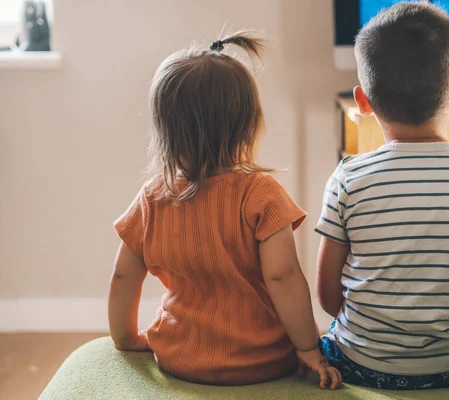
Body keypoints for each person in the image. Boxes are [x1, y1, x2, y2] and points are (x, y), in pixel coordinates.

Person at [108, 32, 341, 389]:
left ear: (165, 130)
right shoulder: (262, 194)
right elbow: (283, 278)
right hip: (263, 360)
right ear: (248, 123)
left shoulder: (152, 198)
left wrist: (125, 339)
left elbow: (124, 277)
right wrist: (309, 349)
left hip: (179, 357)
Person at [315, 3, 449, 390]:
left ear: (362, 102)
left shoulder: (347, 179)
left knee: (328, 336)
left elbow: (328, 297)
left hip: (365, 366)